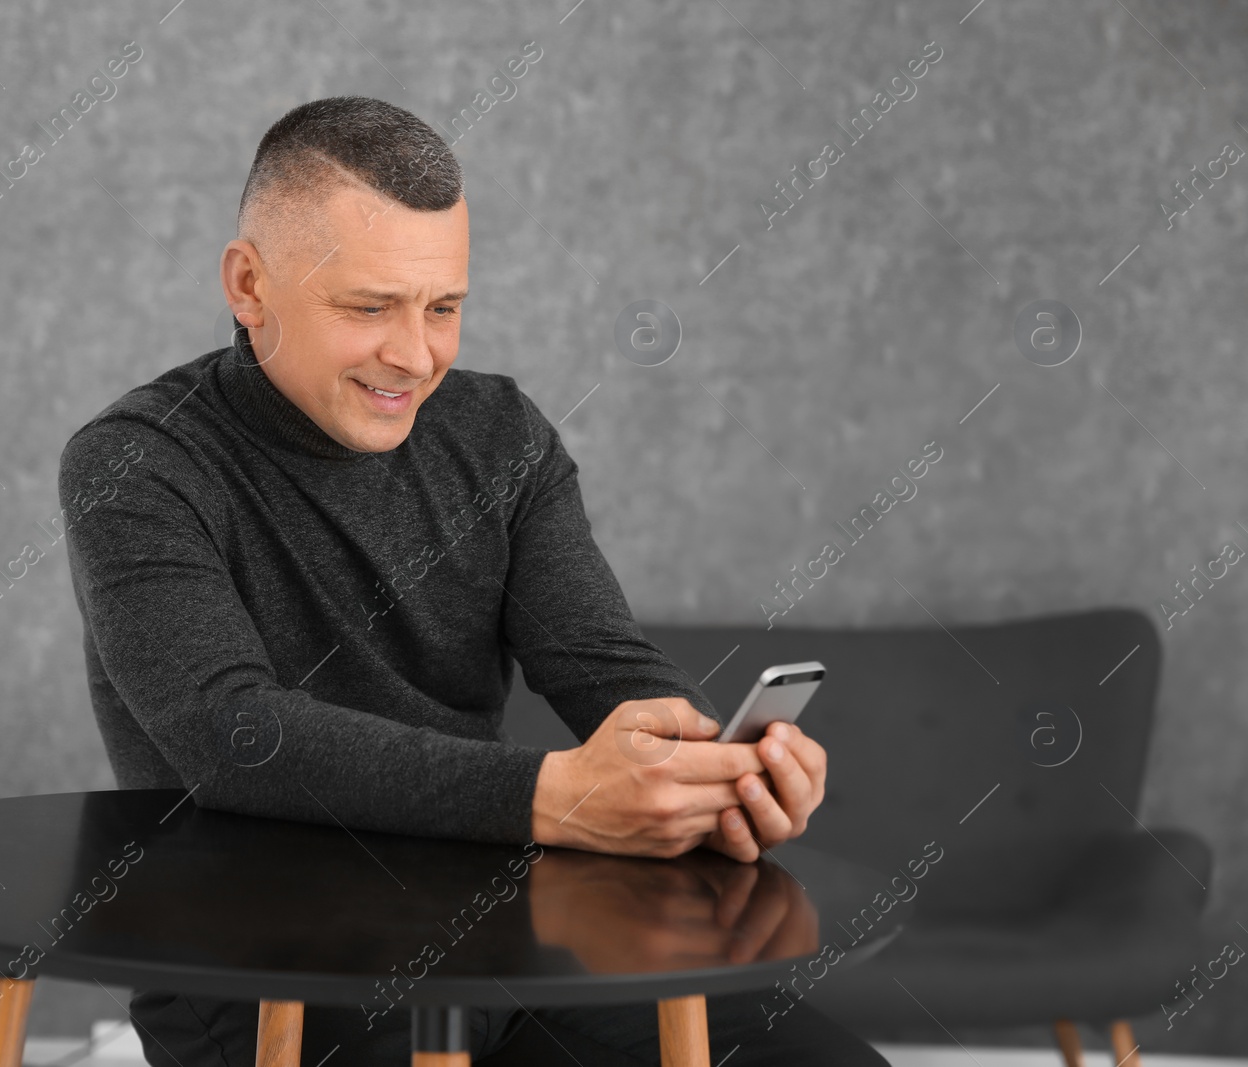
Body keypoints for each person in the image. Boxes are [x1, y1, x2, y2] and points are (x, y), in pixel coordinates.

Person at [58, 95, 886, 1067]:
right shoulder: (137, 461)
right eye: (368, 307)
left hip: (502, 939)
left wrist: (702, 774)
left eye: (442, 306)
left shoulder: (502, 436)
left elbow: (601, 662)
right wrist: (556, 795)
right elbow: (228, 730)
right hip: (257, 960)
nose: (415, 355)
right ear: (248, 283)